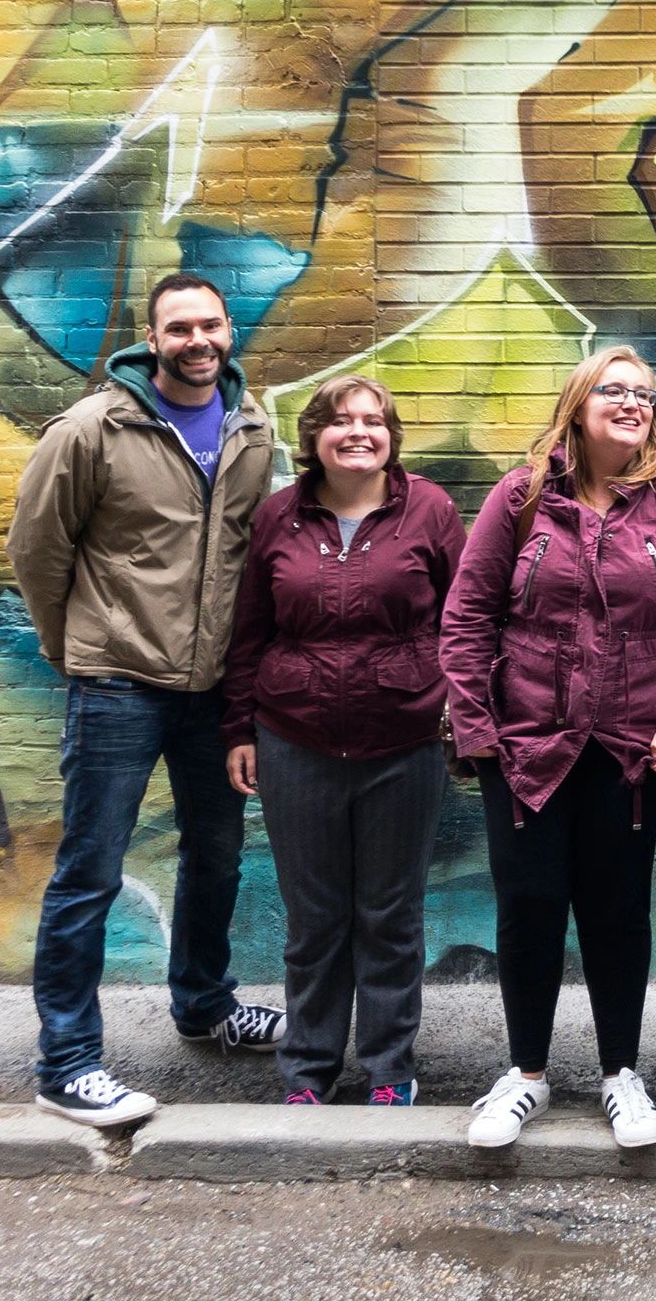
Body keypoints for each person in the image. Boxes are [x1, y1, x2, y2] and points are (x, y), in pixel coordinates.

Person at [6, 272, 285, 1127]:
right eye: (180, 328)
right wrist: (74, 650)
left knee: (217, 859)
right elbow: (36, 549)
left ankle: (204, 1005)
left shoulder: (251, 430)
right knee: (90, 872)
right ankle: (67, 1063)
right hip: (118, 684)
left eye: (210, 326)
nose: (198, 341)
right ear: (151, 337)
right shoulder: (94, 428)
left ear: (228, 331)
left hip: (213, 692)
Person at [437, 348, 656, 1151]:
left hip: (632, 747)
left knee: (616, 911)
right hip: (525, 740)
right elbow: (468, 614)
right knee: (529, 905)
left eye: (645, 394)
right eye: (615, 390)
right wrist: (476, 729)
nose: (632, 403)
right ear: (578, 401)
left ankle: (620, 1074)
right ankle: (526, 1074)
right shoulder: (522, 496)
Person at [221, 375, 465, 1107]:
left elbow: (465, 620)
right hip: (295, 740)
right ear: (314, 438)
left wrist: (460, 711)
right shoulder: (278, 517)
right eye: (341, 421)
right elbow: (249, 631)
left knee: (390, 916)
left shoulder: (429, 510)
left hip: (404, 741)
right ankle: (308, 1069)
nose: (359, 432)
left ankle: (389, 1069)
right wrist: (239, 729)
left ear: (392, 437)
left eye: (374, 421)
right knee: (315, 918)